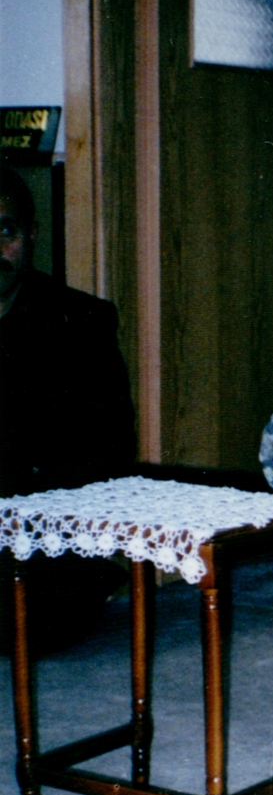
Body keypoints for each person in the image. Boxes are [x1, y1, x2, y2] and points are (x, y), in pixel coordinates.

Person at [0, 165, 136, 652]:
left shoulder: (79, 322)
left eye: (7, 231)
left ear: (31, 234)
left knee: (30, 629)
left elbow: (108, 453)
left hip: (43, 537)